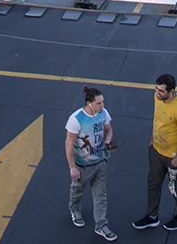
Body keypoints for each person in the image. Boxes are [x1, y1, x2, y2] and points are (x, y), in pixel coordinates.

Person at [133, 73, 177, 232]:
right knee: (153, 184)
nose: (157, 93)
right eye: (156, 89)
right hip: (156, 151)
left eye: (161, 91)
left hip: (172, 157)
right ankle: (152, 217)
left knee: (175, 188)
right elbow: (157, 119)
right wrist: (152, 142)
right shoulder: (157, 98)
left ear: (172, 91)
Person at [66, 85, 116, 240]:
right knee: (78, 189)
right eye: (99, 103)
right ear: (89, 103)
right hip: (83, 166)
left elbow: (109, 130)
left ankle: (101, 225)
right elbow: (68, 144)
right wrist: (72, 167)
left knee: (100, 195)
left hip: (100, 162)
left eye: (102, 102)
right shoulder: (76, 120)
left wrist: (107, 142)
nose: (102, 106)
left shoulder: (103, 113)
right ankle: (74, 209)